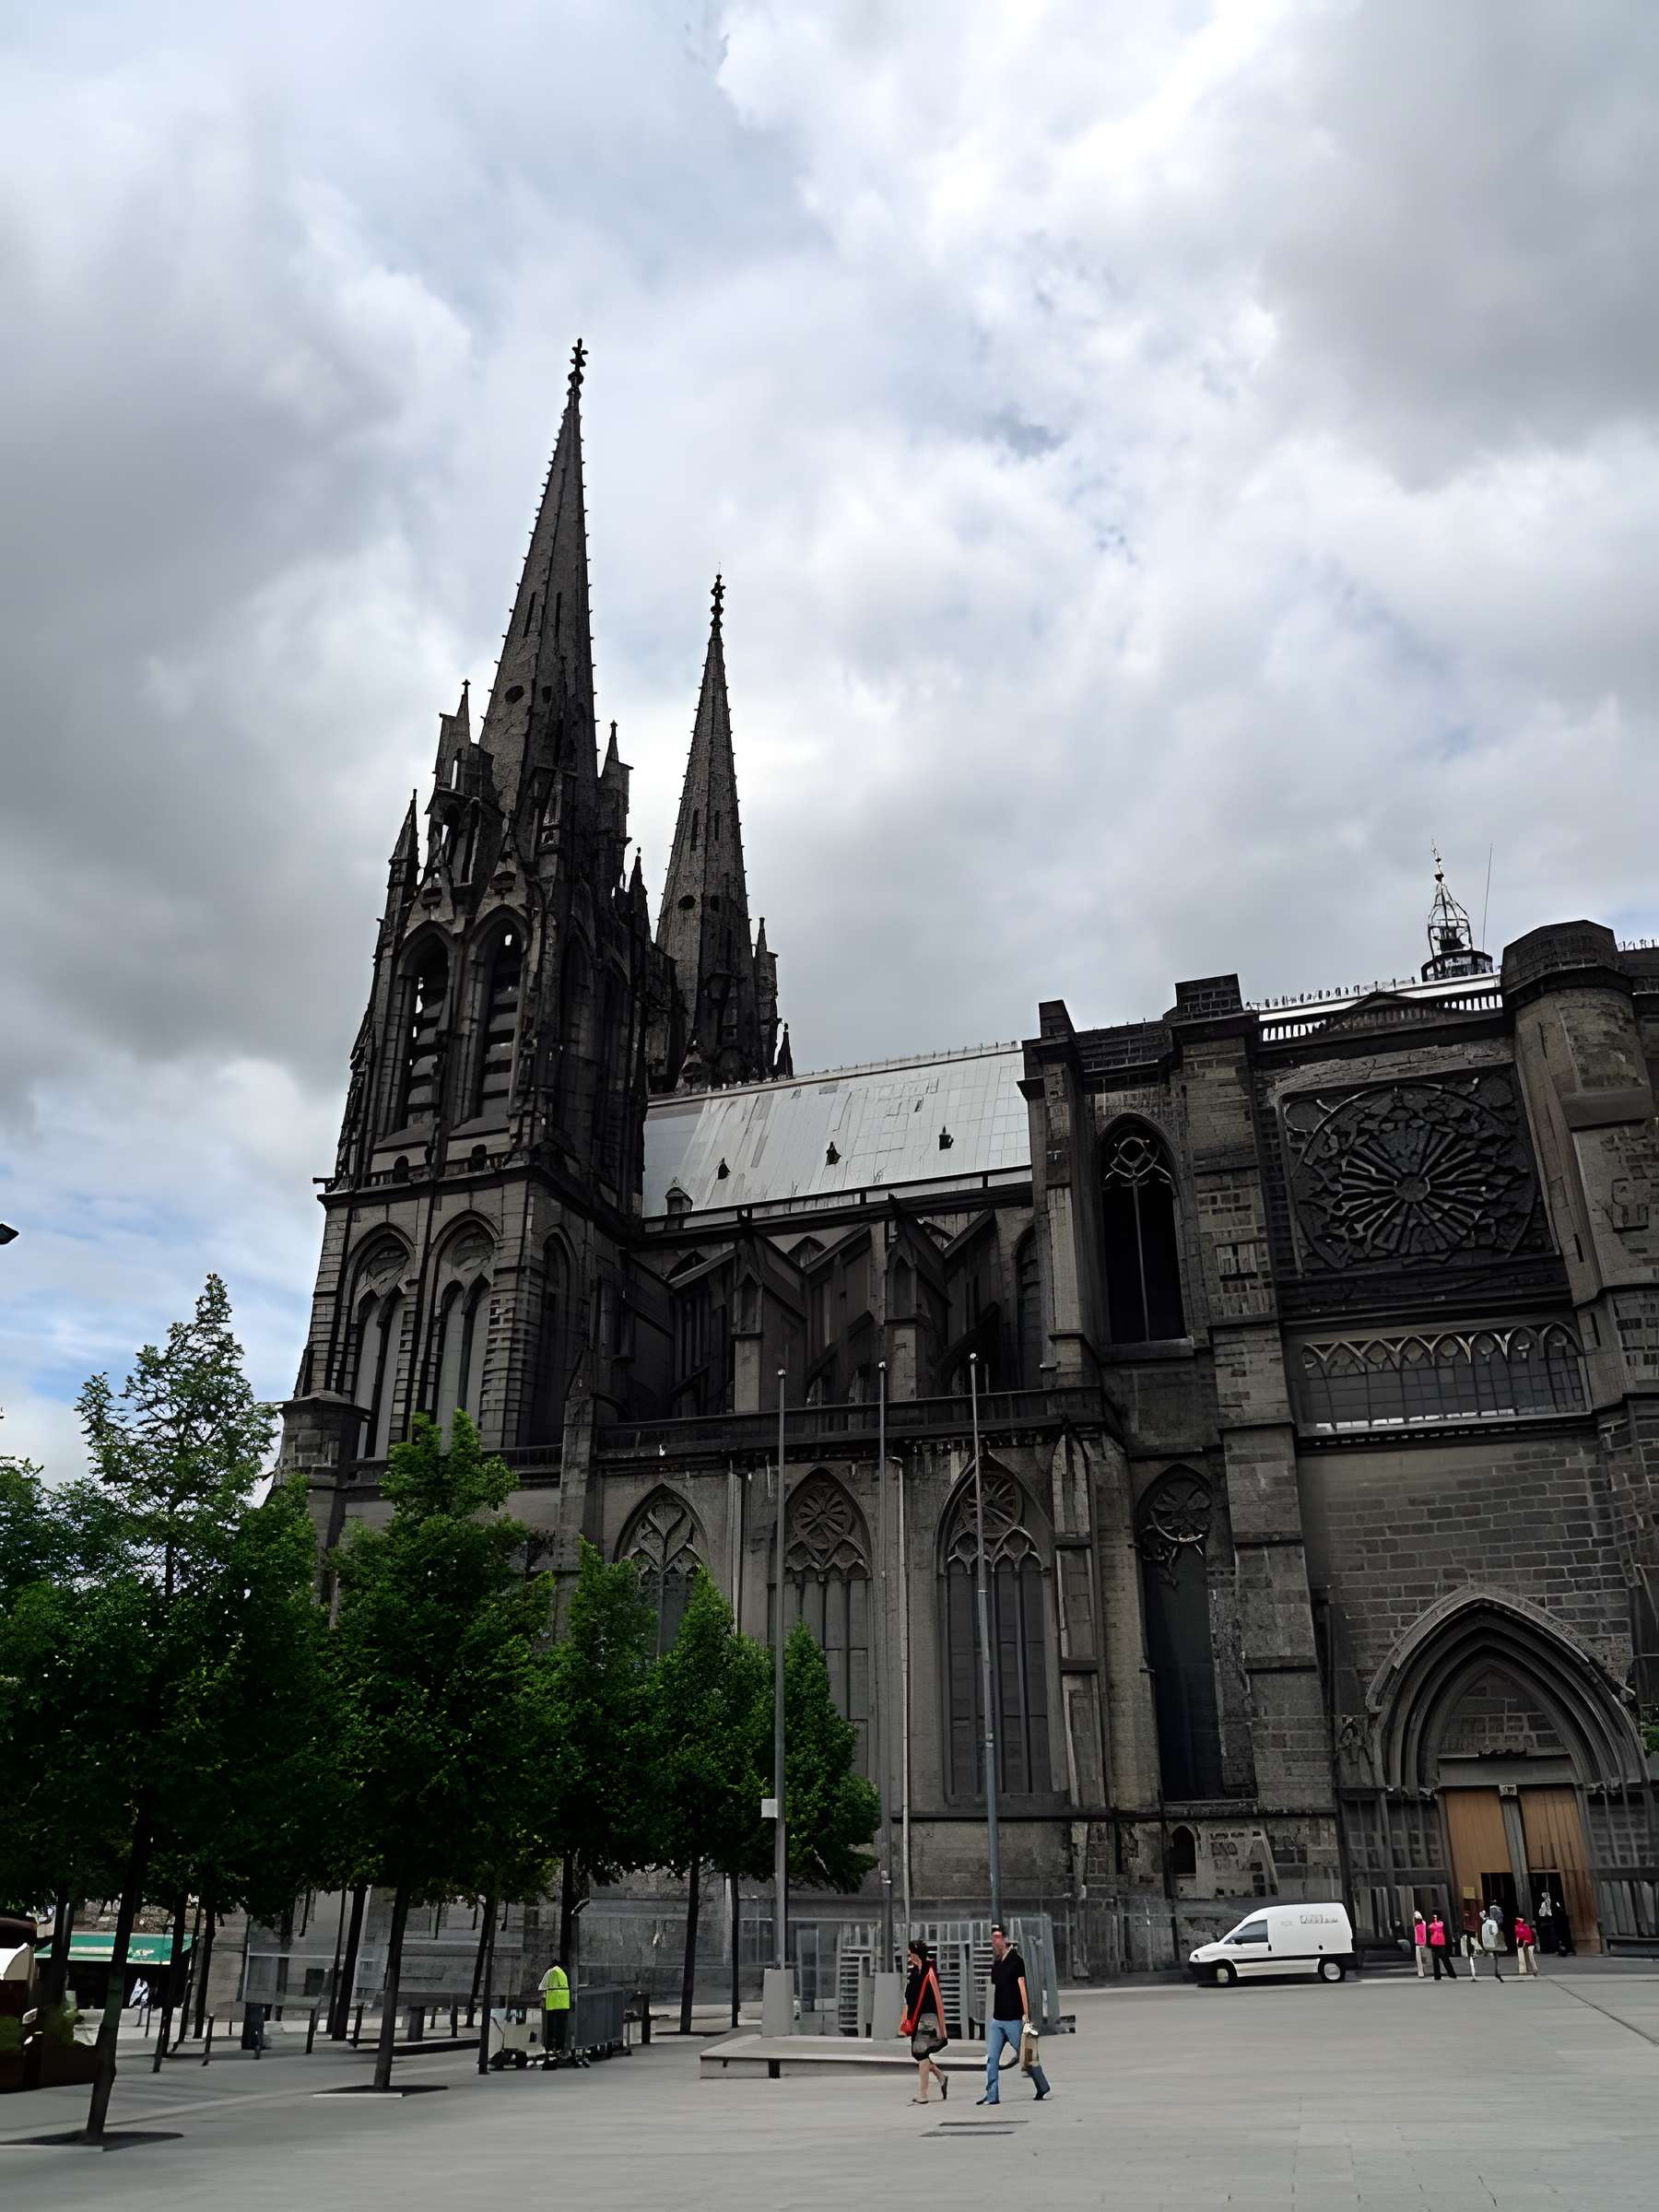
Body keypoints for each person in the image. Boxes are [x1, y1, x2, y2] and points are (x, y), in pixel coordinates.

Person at [978, 1924, 1051, 2106]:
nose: (995, 1941)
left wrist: (1026, 2015)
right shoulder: (997, 1961)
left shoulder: (1016, 1961)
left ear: (1005, 1939)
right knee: (992, 2059)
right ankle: (992, 2095)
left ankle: (1042, 2085)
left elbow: (1022, 1987)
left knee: (1026, 2056)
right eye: (993, 1937)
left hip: (1013, 2018)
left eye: (998, 1937)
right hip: (998, 2019)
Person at [899, 1938, 948, 2106]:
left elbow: (937, 1999)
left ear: (915, 1954)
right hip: (916, 2017)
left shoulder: (930, 1971)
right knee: (919, 2053)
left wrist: (942, 2027)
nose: (909, 1958)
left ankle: (923, 2093)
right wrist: (905, 2019)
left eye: (910, 1954)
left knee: (921, 2053)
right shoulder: (914, 1973)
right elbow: (908, 1998)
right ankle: (941, 2077)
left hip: (928, 2017)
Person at [537, 1957, 571, 2069]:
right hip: (564, 2003)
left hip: (553, 2003)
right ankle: (561, 2048)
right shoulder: (563, 1972)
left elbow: (543, 1986)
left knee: (552, 2027)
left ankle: (551, 2048)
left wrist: (543, 2000)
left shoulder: (551, 1972)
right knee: (562, 2028)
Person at [1478, 1903, 1505, 1982]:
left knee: (1495, 1955)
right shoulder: (1491, 1920)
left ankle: (1496, 1971)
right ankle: (1496, 1971)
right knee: (1495, 1954)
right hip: (1493, 1939)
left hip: (1492, 1940)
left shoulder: (1488, 1920)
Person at [1428, 1912, 1456, 1983]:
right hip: (1435, 1943)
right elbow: (1430, 1934)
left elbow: (1446, 1934)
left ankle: (1451, 1974)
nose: (1434, 1918)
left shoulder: (1441, 1924)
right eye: (1434, 1916)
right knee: (1437, 1960)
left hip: (1441, 1943)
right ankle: (1438, 1975)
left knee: (1444, 1959)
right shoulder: (1432, 1925)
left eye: (1435, 1916)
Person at [1460, 1897, 1482, 1980]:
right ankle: (1473, 1975)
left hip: (1469, 1943)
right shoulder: (1471, 1920)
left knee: (1471, 1960)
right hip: (1471, 1942)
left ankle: (1473, 1975)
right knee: (1472, 1960)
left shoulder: (1466, 1922)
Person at [1513, 1912, 1537, 1977]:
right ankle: (1533, 1969)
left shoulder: (1518, 1926)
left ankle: (1523, 1970)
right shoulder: (1526, 1926)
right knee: (1529, 1956)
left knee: (1522, 1954)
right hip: (1528, 1942)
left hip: (1523, 1940)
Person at [1412, 1911, 1430, 1979]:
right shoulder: (1420, 1924)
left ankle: (1422, 1972)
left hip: (1421, 1944)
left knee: (1421, 1959)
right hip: (1419, 1944)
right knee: (1420, 1960)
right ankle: (1421, 1973)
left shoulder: (1420, 1924)